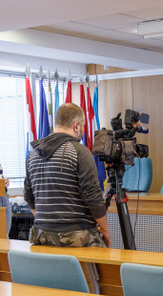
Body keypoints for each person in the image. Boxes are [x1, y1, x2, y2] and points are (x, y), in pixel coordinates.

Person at [24, 103, 110, 248]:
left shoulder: (33, 154)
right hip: (77, 235)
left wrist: (47, 223)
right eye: (82, 126)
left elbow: (28, 195)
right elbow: (93, 196)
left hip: (41, 236)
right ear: (76, 126)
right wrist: (105, 230)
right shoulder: (80, 151)